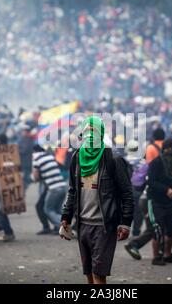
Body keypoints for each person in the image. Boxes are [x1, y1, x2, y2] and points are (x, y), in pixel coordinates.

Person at [60, 116, 133, 284]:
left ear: (101, 134)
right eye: (87, 131)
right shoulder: (77, 158)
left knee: (99, 274)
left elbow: (126, 193)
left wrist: (125, 222)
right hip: (82, 224)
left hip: (104, 225)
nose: (90, 134)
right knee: (89, 275)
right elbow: (72, 190)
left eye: (94, 131)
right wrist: (66, 216)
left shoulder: (113, 159)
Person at [123, 129, 164, 260]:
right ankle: (136, 233)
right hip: (140, 190)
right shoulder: (142, 161)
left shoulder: (124, 160)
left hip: (127, 188)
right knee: (140, 213)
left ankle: (125, 231)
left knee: (128, 210)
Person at [32, 145, 67, 234]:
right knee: (58, 209)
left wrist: (35, 177)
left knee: (48, 209)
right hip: (63, 186)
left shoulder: (36, 159)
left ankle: (65, 226)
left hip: (53, 188)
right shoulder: (50, 156)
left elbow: (35, 177)